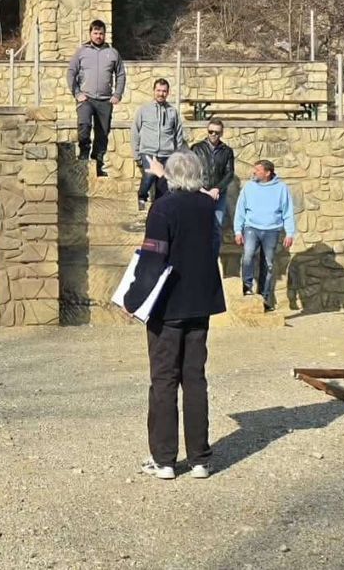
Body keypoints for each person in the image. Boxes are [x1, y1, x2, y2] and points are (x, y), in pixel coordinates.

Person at [123, 151, 226, 480]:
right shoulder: (207, 207)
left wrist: (132, 298)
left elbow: (153, 258)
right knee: (194, 378)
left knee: (164, 379)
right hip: (200, 301)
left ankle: (164, 459)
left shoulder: (163, 207)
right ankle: (200, 459)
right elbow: (213, 247)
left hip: (167, 305)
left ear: (171, 176)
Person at [66, 19, 126, 177]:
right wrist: (77, 93)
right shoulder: (81, 52)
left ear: (105, 34)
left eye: (101, 33)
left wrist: (117, 94)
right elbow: (71, 72)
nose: (98, 36)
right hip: (86, 99)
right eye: (95, 33)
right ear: (90, 33)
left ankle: (97, 163)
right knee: (84, 125)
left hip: (105, 100)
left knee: (102, 133)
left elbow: (120, 74)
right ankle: (84, 156)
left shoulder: (113, 53)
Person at [233, 159, 295, 312]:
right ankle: (247, 288)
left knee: (268, 264)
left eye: (258, 170)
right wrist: (238, 231)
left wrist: (290, 233)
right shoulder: (249, 187)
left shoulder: (281, 188)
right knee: (247, 256)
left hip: (272, 230)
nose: (254, 172)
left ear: (267, 173)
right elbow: (240, 210)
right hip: (251, 228)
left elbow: (288, 212)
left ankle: (265, 299)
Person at [131, 78, 185, 210]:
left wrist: (177, 154)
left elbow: (178, 133)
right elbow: (135, 132)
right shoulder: (144, 110)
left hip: (167, 153)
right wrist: (136, 154)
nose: (161, 93)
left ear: (168, 93)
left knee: (163, 184)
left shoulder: (173, 112)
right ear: (154, 91)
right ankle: (142, 197)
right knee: (149, 175)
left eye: (164, 91)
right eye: (158, 90)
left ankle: (158, 208)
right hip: (149, 152)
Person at [190, 120, 235, 257]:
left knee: (216, 227)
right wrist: (201, 189)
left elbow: (229, 174)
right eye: (211, 131)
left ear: (221, 133)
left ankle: (212, 260)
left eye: (217, 132)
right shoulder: (196, 148)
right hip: (199, 193)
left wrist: (216, 189)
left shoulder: (227, 151)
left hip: (218, 195)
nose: (213, 134)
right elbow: (191, 171)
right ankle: (197, 257)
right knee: (197, 226)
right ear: (207, 131)